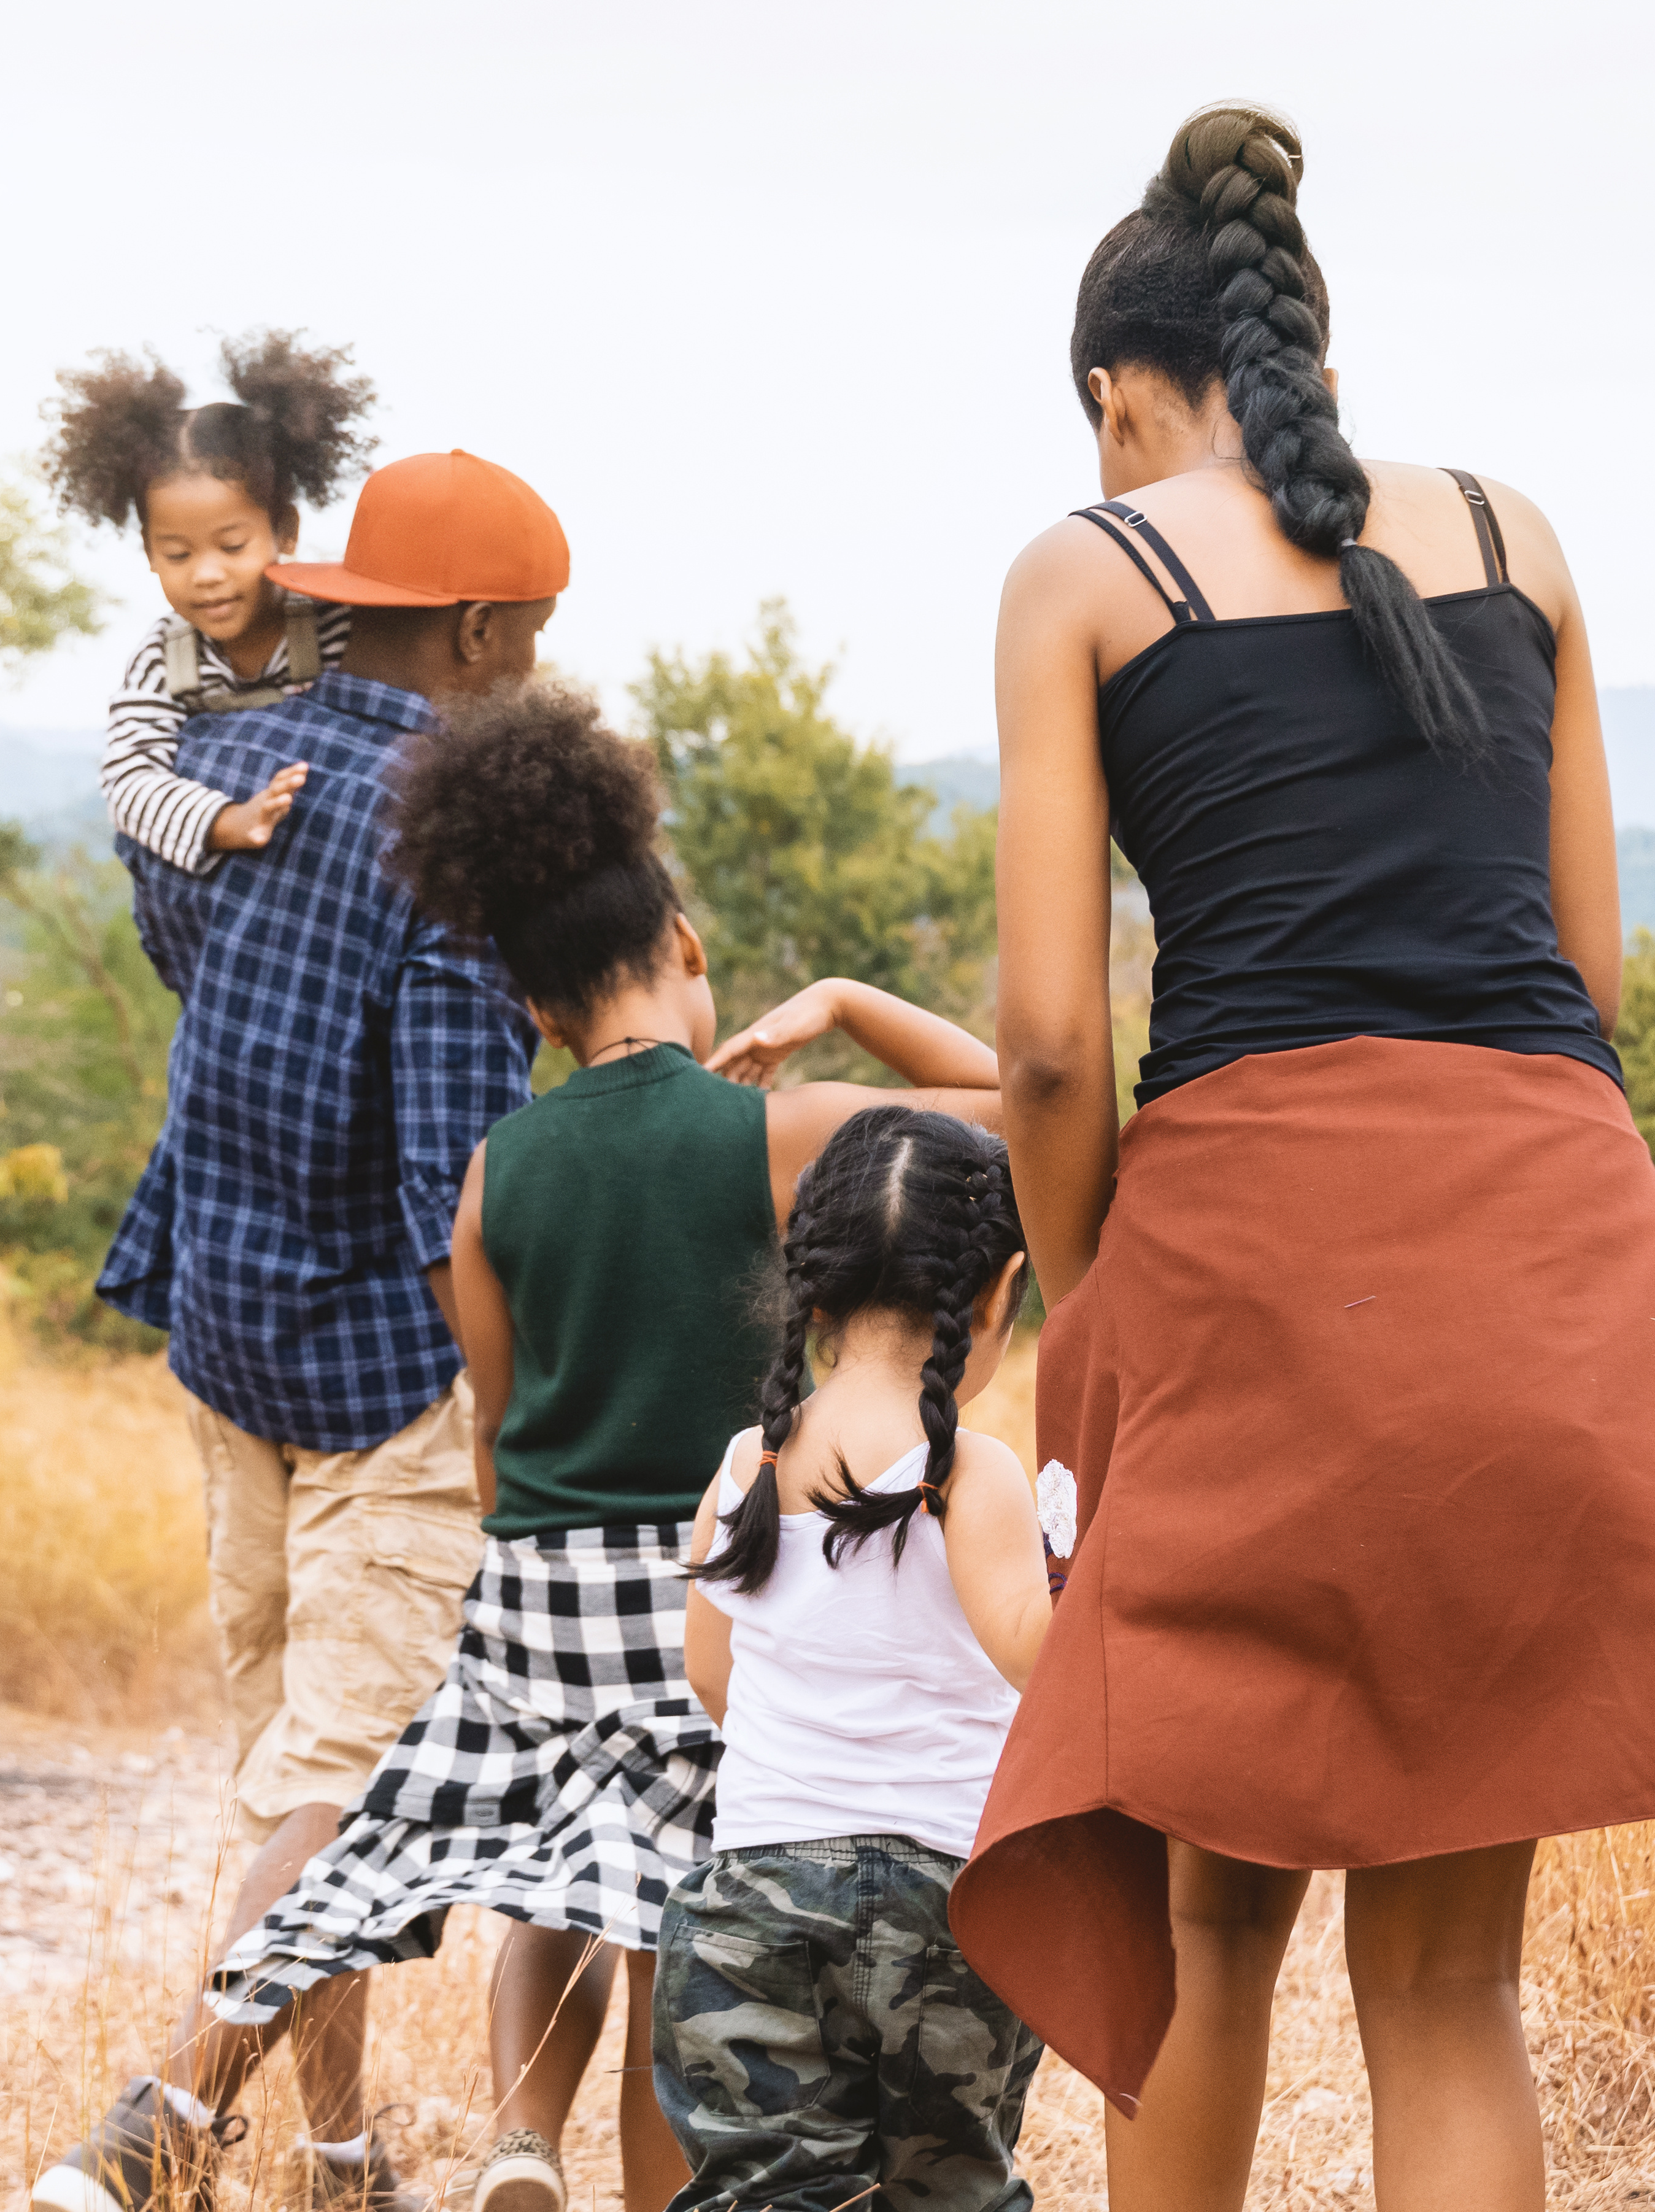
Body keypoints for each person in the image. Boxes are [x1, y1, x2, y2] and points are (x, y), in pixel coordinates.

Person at [950, 103, 1655, 2212]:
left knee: (1205, 1921)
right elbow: (1586, 975)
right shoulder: (1510, 536)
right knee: (1449, 1981)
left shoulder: (1078, 573)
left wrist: (1091, 1296)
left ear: (1111, 401)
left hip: (1251, 1273)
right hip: (1545, 1253)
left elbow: (1038, 1046)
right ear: (1316, 369)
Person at [204, 683, 1009, 2212]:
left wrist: (519, 1558)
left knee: (554, 1870)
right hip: (695, 1568)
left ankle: (522, 2137)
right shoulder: (766, 1132)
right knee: (678, 1922)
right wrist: (832, 998)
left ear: (530, 1006)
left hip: (531, 1590)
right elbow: (1003, 1102)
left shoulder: (499, 1160)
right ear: (687, 948)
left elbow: (495, 1422)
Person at [37, 449, 567, 2212]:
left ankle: (340, 2155)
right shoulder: (469, 846)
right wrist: (514, 1409)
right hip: (382, 1377)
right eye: (542, 635)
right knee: (335, 1790)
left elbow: (199, 965)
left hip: (227, 1331)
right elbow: (453, 1188)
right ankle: (163, 2127)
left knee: (288, 1777)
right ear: (484, 632)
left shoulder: (214, 764)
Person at [661, 1106, 1060, 2212]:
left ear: (811, 1284)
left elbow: (712, 1675)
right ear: (1000, 1288)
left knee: (765, 2190)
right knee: (950, 2186)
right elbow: (1036, 1654)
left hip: (747, 1902)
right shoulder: (972, 1471)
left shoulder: (749, 1459)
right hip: (947, 1902)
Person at [43, 330, 375, 910]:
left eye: (232, 546)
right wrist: (226, 821)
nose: (207, 575)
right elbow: (128, 781)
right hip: (228, 901)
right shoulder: (164, 658)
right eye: (178, 554)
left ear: (286, 532)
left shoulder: (335, 627)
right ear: (148, 551)